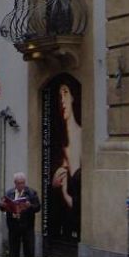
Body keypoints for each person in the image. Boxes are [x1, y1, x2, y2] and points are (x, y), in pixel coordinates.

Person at [51, 81, 81, 242]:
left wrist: (64, 192)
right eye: (59, 95)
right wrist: (55, 185)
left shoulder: (82, 136)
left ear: (74, 97)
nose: (62, 100)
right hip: (62, 219)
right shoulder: (58, 144)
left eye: (66, 93)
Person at [0, 172, 41, 257]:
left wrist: (29, 206)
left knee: (29, 250)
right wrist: (2, 206)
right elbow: (2, 207)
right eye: (19, 183)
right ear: (15, 183)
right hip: (13, 226)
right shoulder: (10, 193)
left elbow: (38, 207)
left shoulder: (31, 193)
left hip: (27, 226)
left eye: (23, 183)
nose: (21, 185)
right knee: (13, 250)